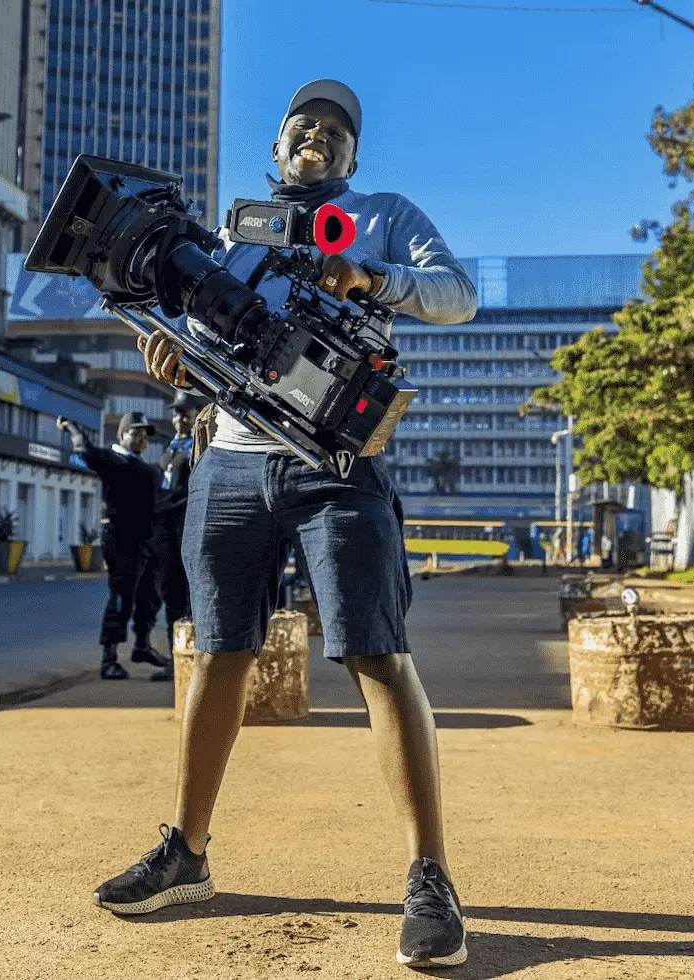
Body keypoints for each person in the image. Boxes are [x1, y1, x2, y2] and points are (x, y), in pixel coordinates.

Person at [93, 79, 478, 970]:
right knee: (218, 650)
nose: (318, 135)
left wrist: (372, 275)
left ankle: (429, 876)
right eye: (303, 125)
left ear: (354, 158)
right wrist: (178, 363)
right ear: (275, 148)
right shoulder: (231, 238)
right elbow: (220, 349)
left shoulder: (382, 214)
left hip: (338, 463)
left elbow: (457, 293)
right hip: (230, 460)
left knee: (377, 652)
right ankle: (185, 854)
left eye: (337, 130)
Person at [67, 412, 172, 680]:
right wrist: (73, 429)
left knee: (150, 594)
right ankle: (109, 658)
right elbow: (87, 452)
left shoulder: (148, 470)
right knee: (122, 596)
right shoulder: (112, 460)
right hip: (120, 541)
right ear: (122, 435)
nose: (141, 439)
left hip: (146, 542)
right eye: (135, 433)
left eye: (145, 436)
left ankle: (142, 645)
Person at [132, 390, 205, 682]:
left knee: (182, 595)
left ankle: (186, 661)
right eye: (176, 413)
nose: (179, 418)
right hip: (162, 531)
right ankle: (175, 657)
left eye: (185, 413)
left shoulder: (200, 447)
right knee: (166, 594)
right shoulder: (171, 447)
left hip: (183, 528)